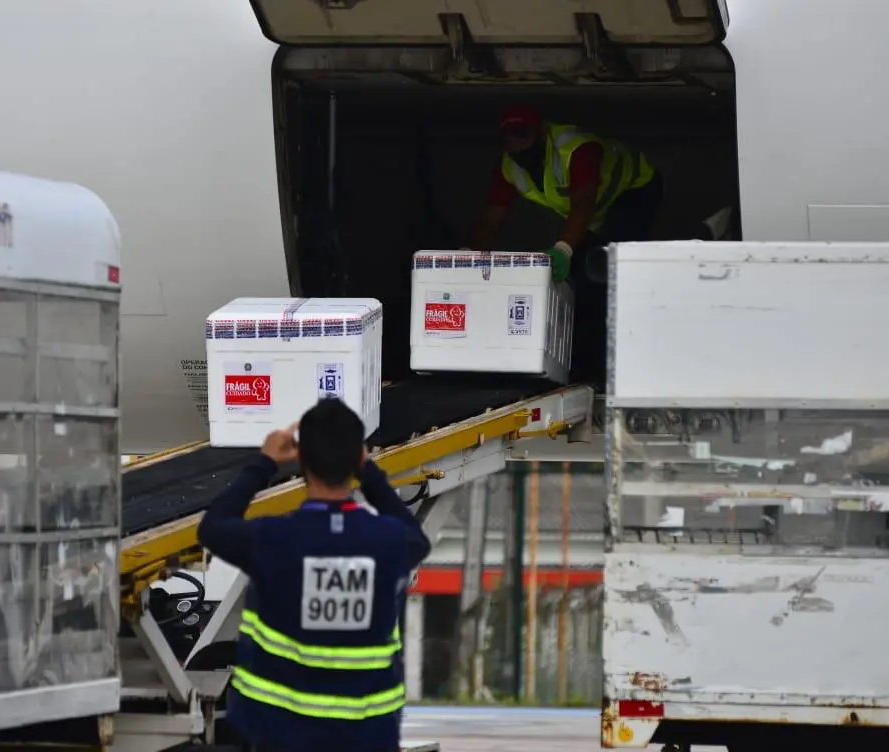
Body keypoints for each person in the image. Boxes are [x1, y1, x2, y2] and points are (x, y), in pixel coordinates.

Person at [197, 398, 432, 752]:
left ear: (301, 459)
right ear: (357, 460)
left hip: (280, 734)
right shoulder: (389, 541)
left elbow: (212, 527)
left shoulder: (273, 539)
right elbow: (417, 539)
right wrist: (369, 473)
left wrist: (264, 463)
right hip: (367, 736)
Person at [463, 104, 663, 387]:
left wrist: (563, 250)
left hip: (635, 193)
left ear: (541, 130)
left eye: (523, 134)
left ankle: (612, 374)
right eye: (510, 136)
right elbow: (493, 215)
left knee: (609, 278)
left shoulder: (575, 148)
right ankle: (579, 372)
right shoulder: (510, 164)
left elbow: (583, 202)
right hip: (596, 214)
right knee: (580, 282)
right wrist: (466, 256)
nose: (516, 143)